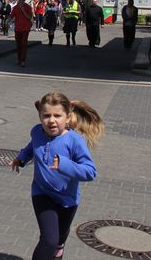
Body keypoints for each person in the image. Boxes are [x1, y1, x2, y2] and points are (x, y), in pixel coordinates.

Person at [10, 92, 104, 260]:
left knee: (59, 240)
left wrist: (64, 164)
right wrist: (22, 158)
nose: (51, 120)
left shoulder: (74, 140)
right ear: (40, 117)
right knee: (49, 240)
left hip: (68, 199)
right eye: (46, 115)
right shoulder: (37, 132)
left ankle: (58, 250)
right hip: (42, 193)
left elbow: (90, 172)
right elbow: (33, 146)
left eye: (57, 115)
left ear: (67, 117)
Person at [9, 0, 33, 67]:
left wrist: (23, 10)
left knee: (24, 44)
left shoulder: (28, 7)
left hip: (25, 28)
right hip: (17, 28)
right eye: (19, 0)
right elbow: (11, 15)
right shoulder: (16, 7)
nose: (20, 1)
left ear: (24, 0)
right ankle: (19, 59)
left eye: (21, 0)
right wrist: (8, 21)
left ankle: (23, 60)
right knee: (18, 44)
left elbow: (29, 17)